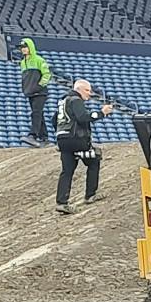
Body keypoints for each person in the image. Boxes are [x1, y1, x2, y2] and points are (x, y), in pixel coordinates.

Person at [55, 78, 115, 215]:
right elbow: (83, 117)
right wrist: (102, 113)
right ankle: (90, 194)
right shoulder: (75, 100)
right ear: (79, 90)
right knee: (94, 159)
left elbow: (54, 119)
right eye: (87, 90)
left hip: (62, 139)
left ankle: (61, 202)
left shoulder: (62, 101)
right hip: (76, 139)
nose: (90, 93)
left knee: (67, 170)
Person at [17, 38, 52, 144]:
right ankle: (44, 137)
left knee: (35, 113)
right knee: (39, 114)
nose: (23, 49)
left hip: (40, 92)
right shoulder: (23, 63)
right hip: (30, 92)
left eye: (25, 47)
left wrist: (39, 85)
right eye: (22, 48)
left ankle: (33, 135)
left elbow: (47, 74)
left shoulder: (39, 60)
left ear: (30, 47)